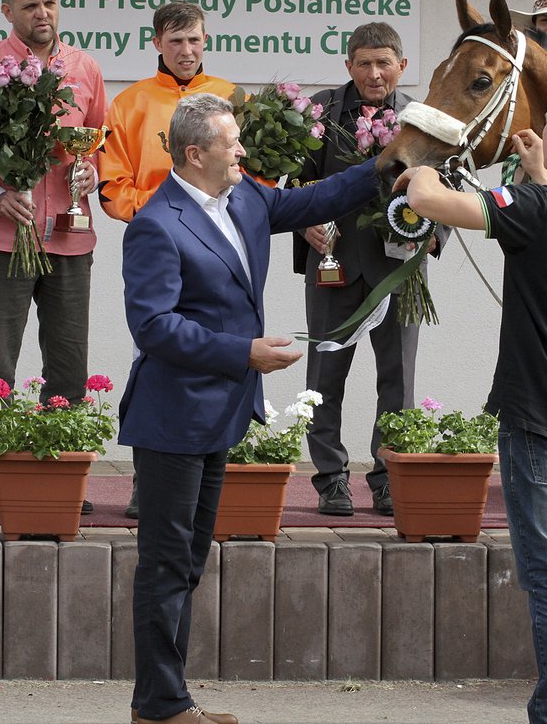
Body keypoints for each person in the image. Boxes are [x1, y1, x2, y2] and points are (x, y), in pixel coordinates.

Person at [120, 93, 380, 724]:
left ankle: (165, 700)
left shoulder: (248, 197)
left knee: (189, 559)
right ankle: (160, 704)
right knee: (167, 561)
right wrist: (244, 353)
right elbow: (152, 327)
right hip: (173, 417)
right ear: (195, 153)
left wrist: (385, 167)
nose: (242, 150)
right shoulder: (157, 223)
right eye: (230, 142)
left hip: (218, 413)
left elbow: (315, 201)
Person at [395, 79, 547, 723]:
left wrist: (418, 164)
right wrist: (535, 177)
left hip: (541, 423)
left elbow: (434, 201)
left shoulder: (541, 211)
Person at [0, 0, 107, 516]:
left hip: (71, 237)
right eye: (30, 7)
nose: (42, 15)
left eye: (49, 4)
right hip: (4, 237)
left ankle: (62, 468)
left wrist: (90, 171)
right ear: (7, 13)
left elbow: (96, 142)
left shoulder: (86, 68)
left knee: (68, 361)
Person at [294, 22, 444, 517]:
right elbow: (294, 184)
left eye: (384, 63)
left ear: (402, 66)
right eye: (363, 63)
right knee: (323, 379)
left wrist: (427, 234)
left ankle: (386, 477)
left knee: (397, 381)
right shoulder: (320, 111)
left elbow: (450, 188)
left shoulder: (425, 119)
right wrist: (304, 224)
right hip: (333, 264)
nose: (374, 73)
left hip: (400, 270)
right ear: (348, 67)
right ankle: (330, 478)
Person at [97, 0, 235, 519]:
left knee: (221, 354)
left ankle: (211, 477)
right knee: (154, 359)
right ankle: (147, 483)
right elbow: (113, 188)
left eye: (194, 39)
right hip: (160, 250)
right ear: (157, 43)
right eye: (175, 41)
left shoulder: (230, 97)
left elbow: (255, 176)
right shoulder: (129, 103)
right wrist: (166, 214)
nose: (186, 50)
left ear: (206, 40)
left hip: (221, 251)